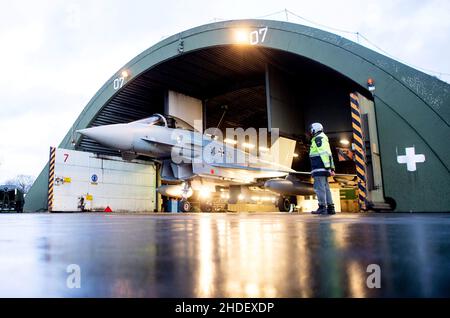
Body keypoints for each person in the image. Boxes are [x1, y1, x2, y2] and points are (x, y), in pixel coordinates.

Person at [308, 123, 336, 215]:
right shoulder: (323, 139)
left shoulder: (318, 139)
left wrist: (328, 167)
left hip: (319, 168)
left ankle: (322, 207)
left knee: (319, 188)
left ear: (315, 129)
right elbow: (329, 154)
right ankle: (331, 208)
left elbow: (324, 154)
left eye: (311, 129)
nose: (311, 131)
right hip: (324, 168)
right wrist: (331, 168)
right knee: (326, 188)